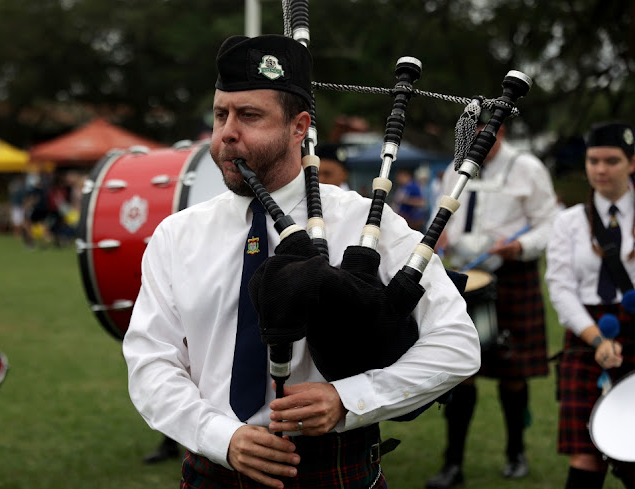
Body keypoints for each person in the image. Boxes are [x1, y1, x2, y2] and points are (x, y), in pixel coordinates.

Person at [122, 34, 480, 489]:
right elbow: (151, 360)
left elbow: (456, 345)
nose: (227, 132)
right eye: (220, 114)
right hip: (214, 468)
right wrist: (221, 437)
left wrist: (348, 398)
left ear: (299, 127)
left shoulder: (365, 222)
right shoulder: (177, 236)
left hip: (335, 468)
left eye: (250, 116)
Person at [426, 124, 559, 488]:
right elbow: (441, 212)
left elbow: (549, 224)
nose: (477, 141)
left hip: (512, 275)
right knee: (460, 369)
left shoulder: (528, 167)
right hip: (463, 276)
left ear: (500, 132)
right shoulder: (456, 167)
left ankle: (516, 453)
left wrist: (520, 247)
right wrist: (440, 236)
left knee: (512, 373)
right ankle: (452, 465)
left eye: (486, 133)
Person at [545, 121, 635, 489]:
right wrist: (597, 340)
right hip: (586, 335)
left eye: (612, 160)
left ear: (632, 162)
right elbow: (561, 288)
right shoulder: (568, 222)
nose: (601, 169)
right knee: (585, 454)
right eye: (593, 160)